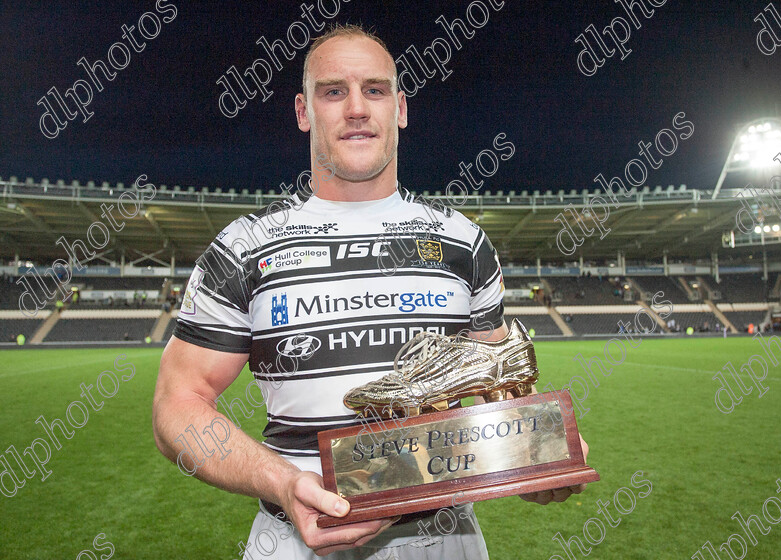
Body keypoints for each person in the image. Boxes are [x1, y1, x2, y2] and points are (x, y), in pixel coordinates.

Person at [152, 25, 587, 560]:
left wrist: (538, 456)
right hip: (293, 541)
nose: (357, 108)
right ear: (303, 111)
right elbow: (177, 405)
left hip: (443, 539)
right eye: (334, 91)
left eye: (375, 90)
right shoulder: (244, 247)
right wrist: (282, 482)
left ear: (400, 108)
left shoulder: (463, 244)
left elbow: (500, 385)